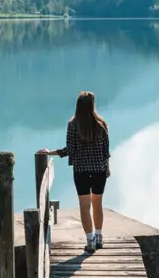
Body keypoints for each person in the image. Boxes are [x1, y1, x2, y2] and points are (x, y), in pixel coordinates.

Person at [41, 91, 111, 254]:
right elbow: (105, 151)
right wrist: (107, 167)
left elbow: (69, 150)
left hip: (81, 171)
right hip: (99, 170)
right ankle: (99, 238)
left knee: (85, 206)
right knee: (97, 204)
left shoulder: (73, 125)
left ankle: (90, 241)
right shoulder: (101, 124)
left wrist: (50, 152)